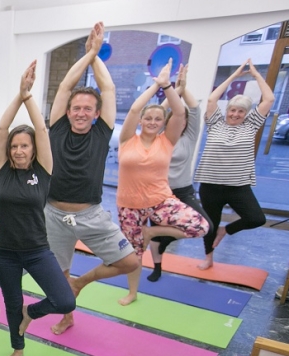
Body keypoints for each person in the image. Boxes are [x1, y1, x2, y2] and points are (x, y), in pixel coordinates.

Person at [44, 22, 140, 333]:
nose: (81, 113)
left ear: (97, 114)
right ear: (68, 111)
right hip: (54, 214)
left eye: (88, 109)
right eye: (76, 108)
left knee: (130, 262)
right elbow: (64, 87)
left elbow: (108, 90)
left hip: (90, 214)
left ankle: (81, 283)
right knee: (58, 273)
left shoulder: (101, 133)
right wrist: (87, 56)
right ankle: (67, 315)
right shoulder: (58, 127)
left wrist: (95, 55)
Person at [0, 61, 75, 356]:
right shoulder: (3, 171)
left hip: (37, 250)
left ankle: (31, 314)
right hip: (5, 253)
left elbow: (41, 129)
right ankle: (17, 348)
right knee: (11, 303)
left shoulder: (42, 171)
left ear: (33, 149)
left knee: (64, 300)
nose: (18, 150)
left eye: (24, 146)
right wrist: (19, 95)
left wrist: (28, 97)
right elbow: (2, 129)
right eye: (14, 146)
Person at [114, 59, 209, 305]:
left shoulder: (167, 140)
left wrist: (168, 86)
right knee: (134, 254)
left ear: (163, 123)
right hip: (129, 206)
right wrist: (156, 85)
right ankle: (133, 292)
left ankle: (152, 232)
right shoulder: (127, 139)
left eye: (158, 119)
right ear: (141, 121)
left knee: (201, 226)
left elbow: (179, 112)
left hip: (160, 201)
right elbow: (134, 109)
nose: (153, 122)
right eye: (149, 118)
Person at [194, 59, 274, 270]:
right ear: (227, 110)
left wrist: (256, 75)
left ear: (246, 114)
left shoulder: (251, 126)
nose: (235, 114)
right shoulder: (215, 123)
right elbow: (212, 99)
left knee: (256, 218)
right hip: (210, 185)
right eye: (232, 110)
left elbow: (269, 99)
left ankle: (225, 231)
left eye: (240, 112)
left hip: (237, 186)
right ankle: (208, 258)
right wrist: (234, 76)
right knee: (210, 224)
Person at [147, 63, 213, 282]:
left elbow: (194, 110)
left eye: (184, 118)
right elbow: (156, 112)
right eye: (177, 117)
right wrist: (171, 89)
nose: (181, 121)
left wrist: (183, 88)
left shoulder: (189, 136)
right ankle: (157, 267)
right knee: (157, 230)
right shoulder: (157, 138)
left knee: (206, 226)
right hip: (159, 193)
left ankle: (163, 237)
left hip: (183, 191)